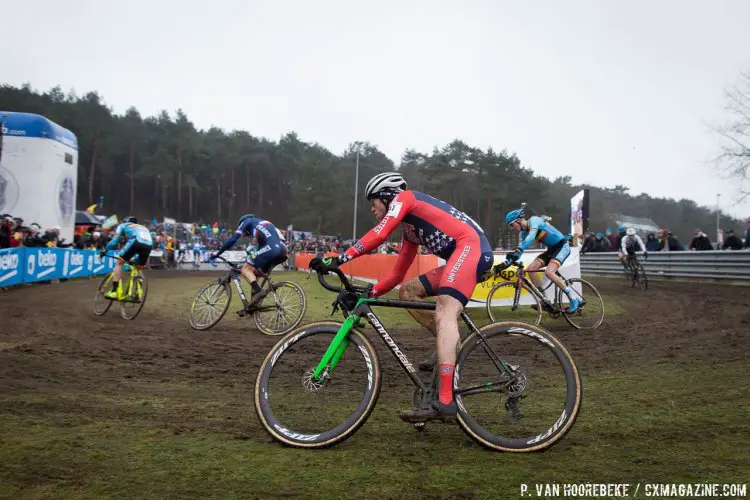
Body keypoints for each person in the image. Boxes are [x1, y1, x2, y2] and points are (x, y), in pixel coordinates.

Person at [309, 172, 494, 421]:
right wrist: (367, 293)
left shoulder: (406, 198)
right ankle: (447, 345)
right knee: (408, 291)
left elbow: (380, 234)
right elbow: (397, 276)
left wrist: (341, 257)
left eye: (373, 203)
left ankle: (446, 399)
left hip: (471, 249)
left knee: (445, 311)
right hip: (466, 252)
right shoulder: (411, 230)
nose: (372, 209)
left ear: (386, 197)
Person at [504, 207, 580, 313]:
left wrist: (519, 249)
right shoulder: (523, 233)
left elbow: (530, 237)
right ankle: (545, 300)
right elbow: (521, 248)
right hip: (551, 250)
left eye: (512, 224)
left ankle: (574, 299)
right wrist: (513, 257)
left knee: (549, 272)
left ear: (519, 220)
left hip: (562, 246)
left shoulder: (534, 220)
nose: (512, 227)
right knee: (531, 269)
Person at [209, 214, 288, 311]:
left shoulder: (247, 222)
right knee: (254, 273)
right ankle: (254, 304)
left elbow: (233, 239)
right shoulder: (263, 224)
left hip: (272, 249)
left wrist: (218, 253)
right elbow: (262, 246)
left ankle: (259, 292)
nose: (246, 235)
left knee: (245, 269)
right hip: (283, 251)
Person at [101, 217, 153, 300]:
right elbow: (143, 243)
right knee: (138, 269)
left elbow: (114, 242)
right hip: (149, 245)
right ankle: (138, 293)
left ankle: (114, 291)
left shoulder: (123, 225)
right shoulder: (143, 227)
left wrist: (105, 250)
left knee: (119, 263)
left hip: (135, 242)